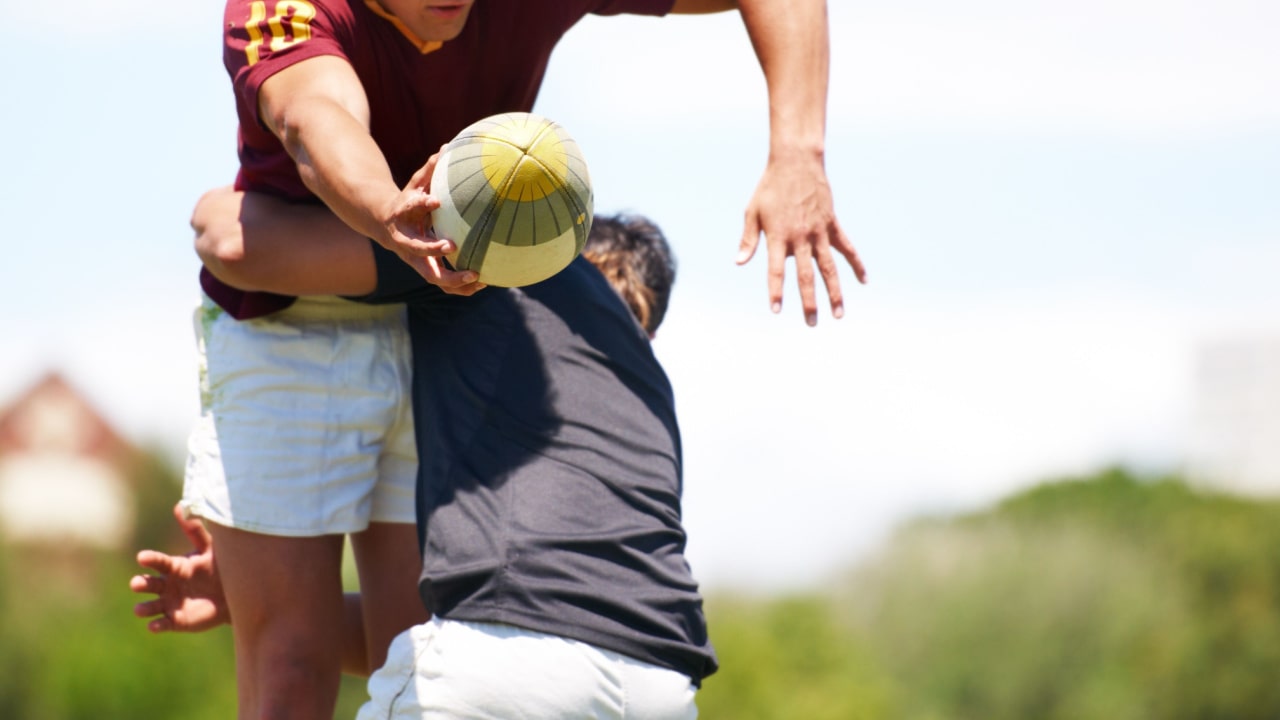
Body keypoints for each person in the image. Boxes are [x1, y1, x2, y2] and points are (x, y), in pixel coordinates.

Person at [190, 0, 859, 716]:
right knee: (296, 664)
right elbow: (313, 118)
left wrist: (797, 152)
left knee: (408, 641)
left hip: (433, 282)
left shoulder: (493, 277)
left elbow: (221, 234)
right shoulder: (288, 13)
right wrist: (390, 212)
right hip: (312, 303)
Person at [136, 185, 710, 717]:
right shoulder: (649, 393)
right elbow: (569, 625)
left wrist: (215, 204)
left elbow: (231, 241)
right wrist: (254, 601)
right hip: (661, 685)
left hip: (511, 663)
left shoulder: (500, 270)